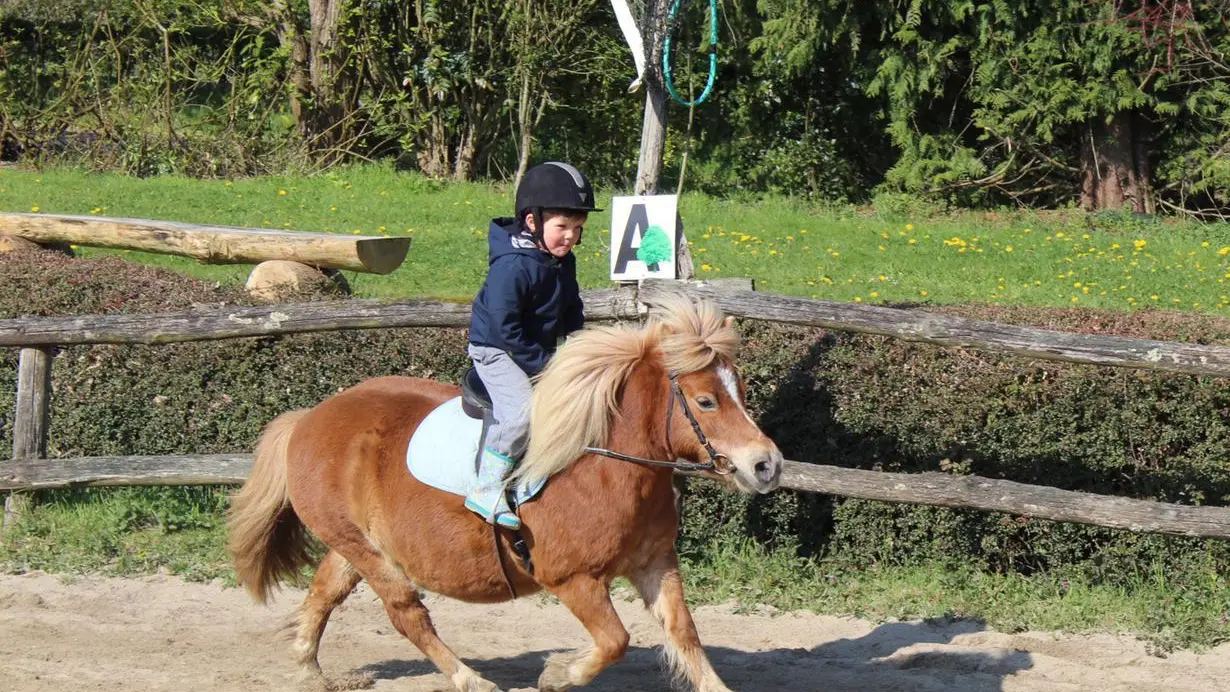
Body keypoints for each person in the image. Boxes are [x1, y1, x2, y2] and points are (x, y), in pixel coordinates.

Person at [465, 161, 601, 529]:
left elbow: (573, 310)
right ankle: (486, 487)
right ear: (532, 222)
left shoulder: (561, 261)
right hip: (495, 349)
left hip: (531, 348)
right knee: (523, 413)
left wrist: (579, 348)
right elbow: (505, 328)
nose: (571, 236)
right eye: (562, 227)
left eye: (578, 228)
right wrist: (544, 365)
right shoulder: (512, 266)